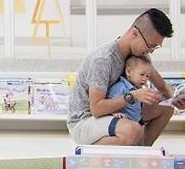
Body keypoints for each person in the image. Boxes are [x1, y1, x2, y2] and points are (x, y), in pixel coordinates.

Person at [67, 8, 184, 146]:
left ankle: (139, 152)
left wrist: (176, 98)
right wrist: (133, 96)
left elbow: (163, 87)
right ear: (135, 33)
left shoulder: (140, 57)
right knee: (132, 130)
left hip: (121, 115)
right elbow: (96, 109)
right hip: (87, 121)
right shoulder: (103, 59)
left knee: (166, 109)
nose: (151, 51)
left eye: (155, 48)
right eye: (151, 45)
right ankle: (89, 154)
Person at [107, 55, 153, 127]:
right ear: (128, 71)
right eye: (142, 74)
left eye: (147, 76)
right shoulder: (121, 87)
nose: (144, 79)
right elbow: (110, 102)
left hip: (136, 122)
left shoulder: (138, 89)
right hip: (124, 123)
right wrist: (115, 113)